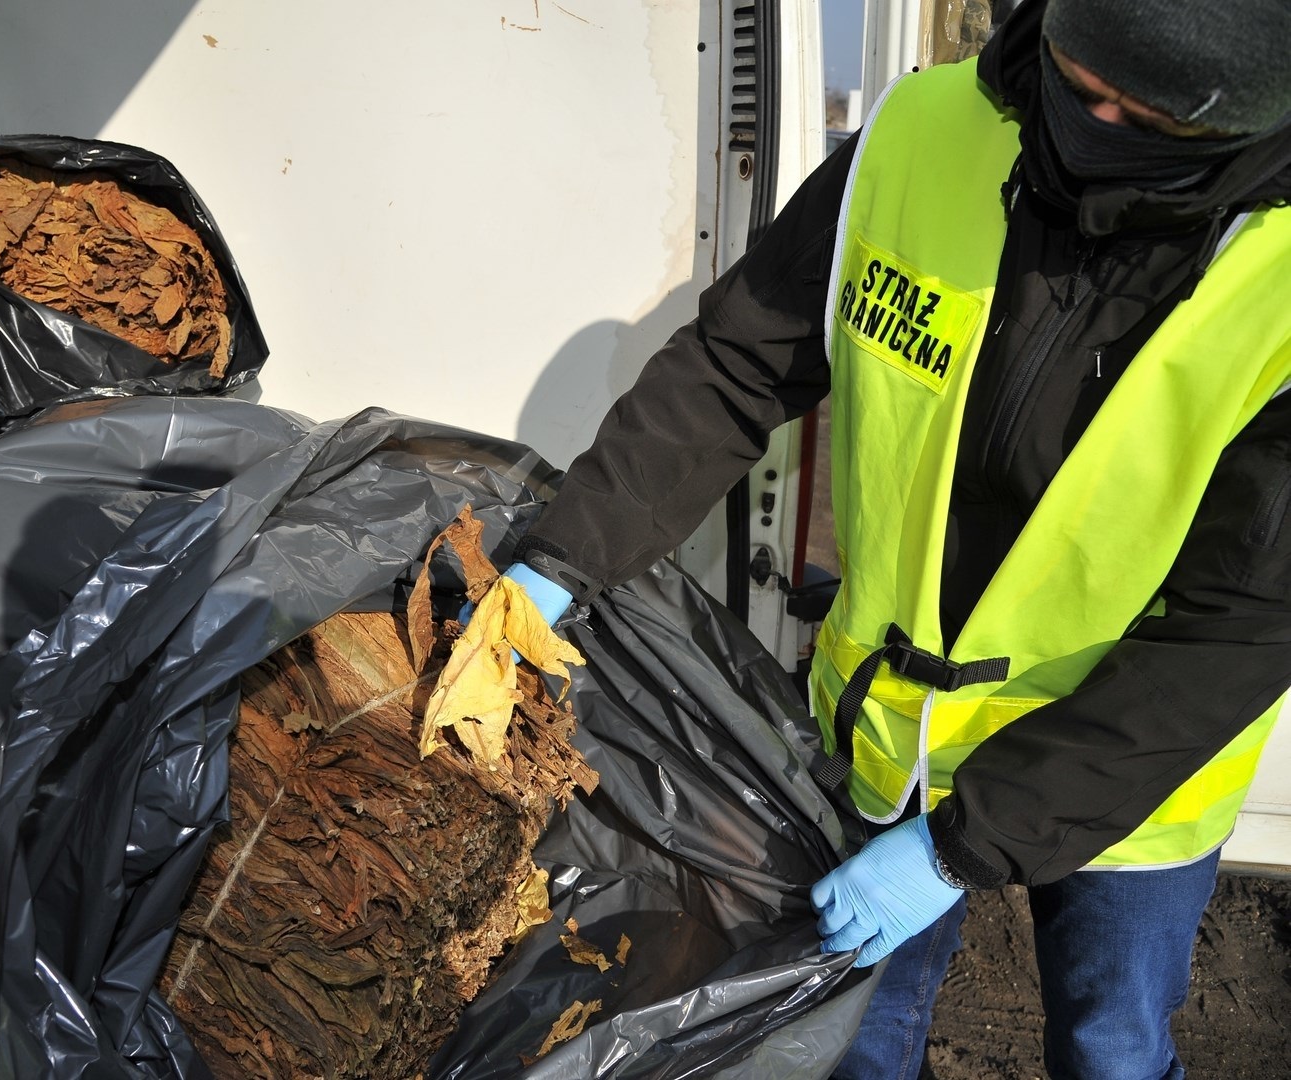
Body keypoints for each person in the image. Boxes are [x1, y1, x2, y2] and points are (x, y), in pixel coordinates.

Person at [497, 1, 1291, 1076]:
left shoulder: (1277, 278)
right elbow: (737, 364)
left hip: (1132, 790)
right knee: (854, 1045)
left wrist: (963, 848)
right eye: (1075, 78)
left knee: (1112, 1047)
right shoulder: (922, 133)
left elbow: (1238, 634)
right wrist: (562, 561)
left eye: (1143, 118)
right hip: (890, 741)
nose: (1090, 123)